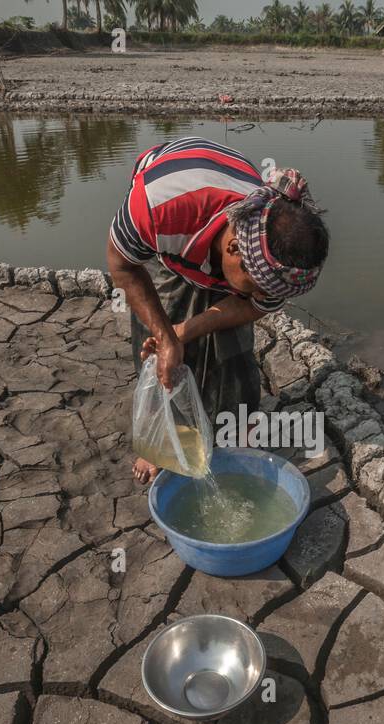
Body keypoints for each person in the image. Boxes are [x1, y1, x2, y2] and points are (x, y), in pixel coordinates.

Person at [105, 137, 329, 482]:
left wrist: (185, 332)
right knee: (162, 351)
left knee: (232, 356)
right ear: (236, 247)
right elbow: (123, 267)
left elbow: (254, 305)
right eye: (255, 286)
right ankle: (162, 441)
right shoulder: (159, 207)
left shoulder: (280, 258)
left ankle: (230, 432)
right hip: (177, 225)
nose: (260, 296)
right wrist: (167, 338)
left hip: (221, 222)